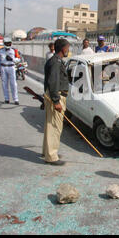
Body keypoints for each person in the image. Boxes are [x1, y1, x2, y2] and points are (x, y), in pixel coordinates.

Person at [42, 38, 71, 166]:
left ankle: (47, 152)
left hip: (54, 95)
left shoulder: (55, 61)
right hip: (57, 96)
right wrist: (56, 101)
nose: (68, 50)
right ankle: (52, 156)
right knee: (54, 127)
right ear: (63, 48)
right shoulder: (55, 62)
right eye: (67, 48)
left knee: (50, 125)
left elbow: (48, 82)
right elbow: (53, 82)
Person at [0, 37, 20, 105]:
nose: (8, 44)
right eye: (6, 43)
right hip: (3, 67)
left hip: (11, 67)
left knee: (13, 84)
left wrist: (12, 59)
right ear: (4, 43)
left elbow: (18, 59)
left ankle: (16, 99)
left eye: (9, 43)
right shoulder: (1, 51)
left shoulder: (14, 50)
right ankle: (6, 99)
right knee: (4, 84)